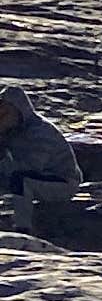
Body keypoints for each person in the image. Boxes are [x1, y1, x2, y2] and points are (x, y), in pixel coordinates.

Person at [0, 83, 79, 234]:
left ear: (19, 110)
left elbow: (30, 168)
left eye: (5, 113)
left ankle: (23, 228)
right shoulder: (14, 129)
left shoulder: (40, 132)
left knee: (20, 181)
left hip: (62, 181)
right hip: (36, 176)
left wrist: (2, 155)